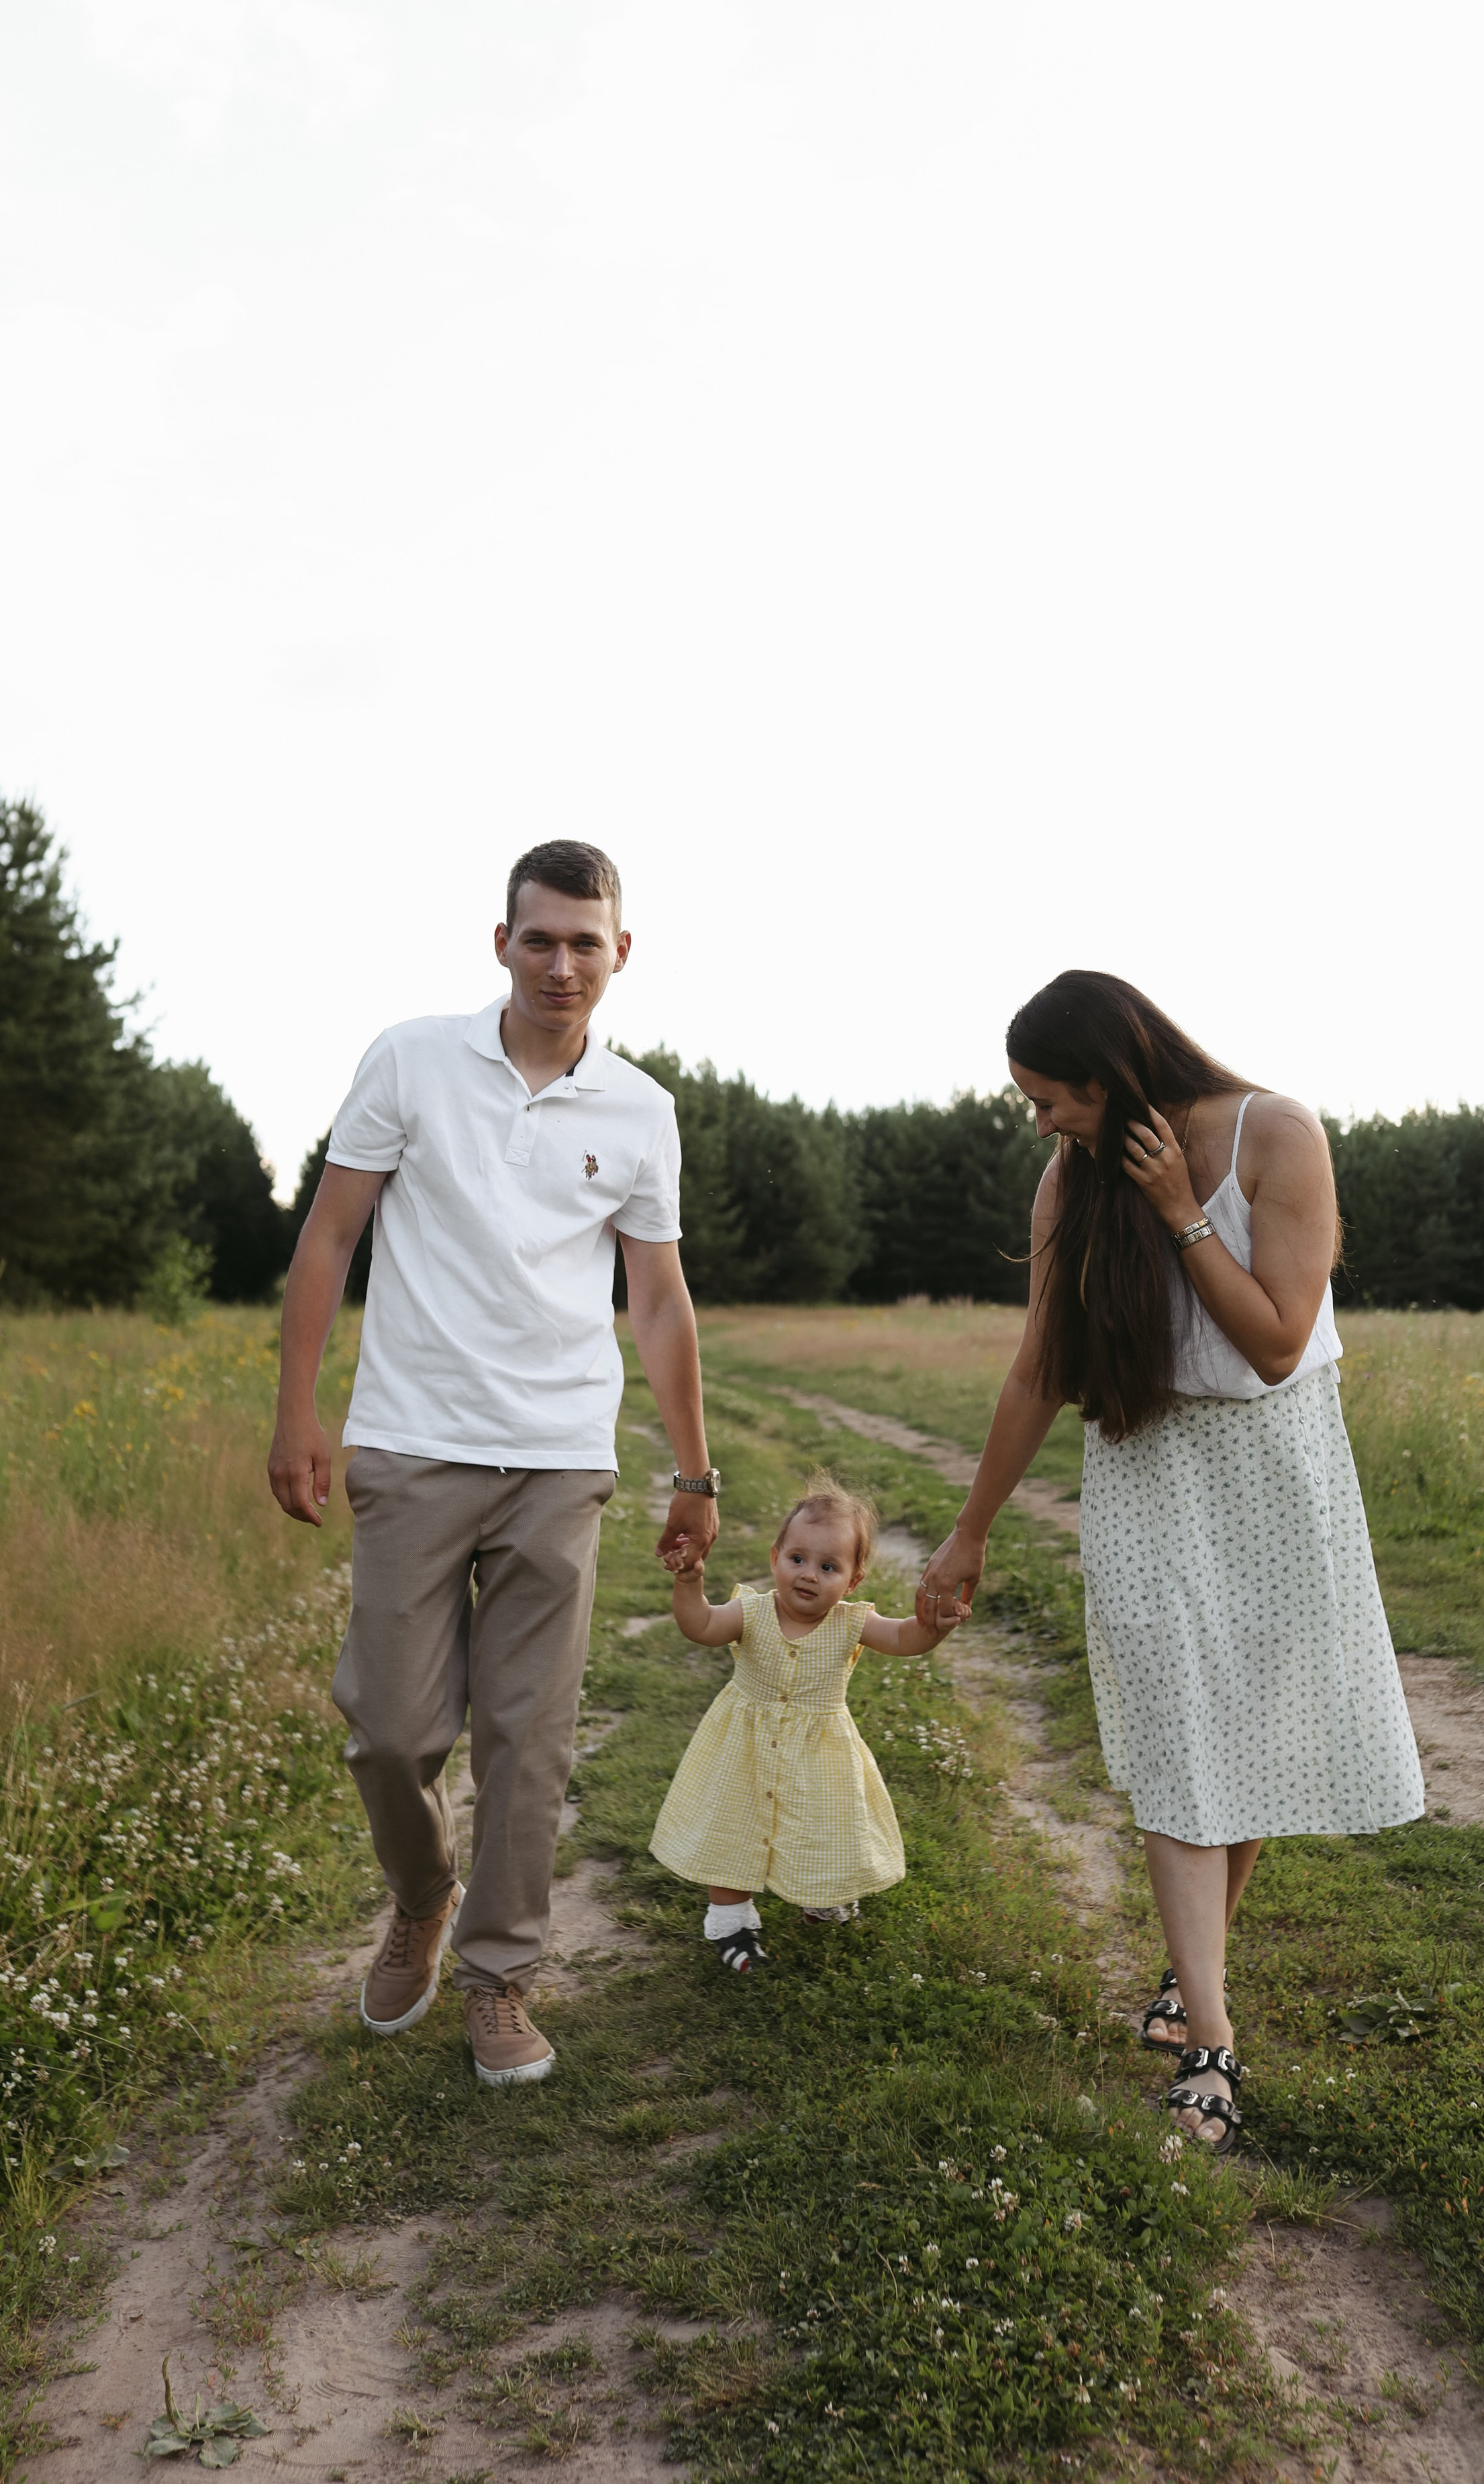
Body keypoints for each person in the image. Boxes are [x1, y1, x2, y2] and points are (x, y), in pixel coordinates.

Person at [917, 971, 1423, 2155]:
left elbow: (1276, 1341)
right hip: (1148, 1472)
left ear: (1108, 1075)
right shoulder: (1068, 1182)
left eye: (1049, 1100)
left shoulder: (1277, 1134)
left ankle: (1187, 1988)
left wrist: (1181, 1209)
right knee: (1178, 1738)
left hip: (1278, 1464)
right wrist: (970, 1529)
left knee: (1245, 1735)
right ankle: (1210, 2040)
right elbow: (1040, 1365)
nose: (1039, 1123)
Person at [267, 839, 722, 2087]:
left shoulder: (642, 1111)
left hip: (560, 1457)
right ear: (502, 943)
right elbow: (331, 1232)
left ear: (620, 953)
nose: (562, 963)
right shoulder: (411, 1059)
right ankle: (422, 1897)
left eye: (587, 942)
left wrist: (693, 1472)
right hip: (411, 1444)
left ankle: (500, 1975)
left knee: (531, 1738)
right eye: (541, 938)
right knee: (390, 1731)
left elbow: (661, 1299)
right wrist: (299, 1410)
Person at [650, 1474, 967, 1972]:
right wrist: (689, 1582)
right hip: (743, 1748)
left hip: (821, 1753)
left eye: (828, 1566)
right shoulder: (751, 1612)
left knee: (823, 1826)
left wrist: (933, 1626)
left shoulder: (852, 1622)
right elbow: (702, 1627)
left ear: (853, 1580)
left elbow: (905, 1639)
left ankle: (821, 1893)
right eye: (798, 1559)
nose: (809, 1575)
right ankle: (731, 1921)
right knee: (735, 1826)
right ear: (775, 1557)